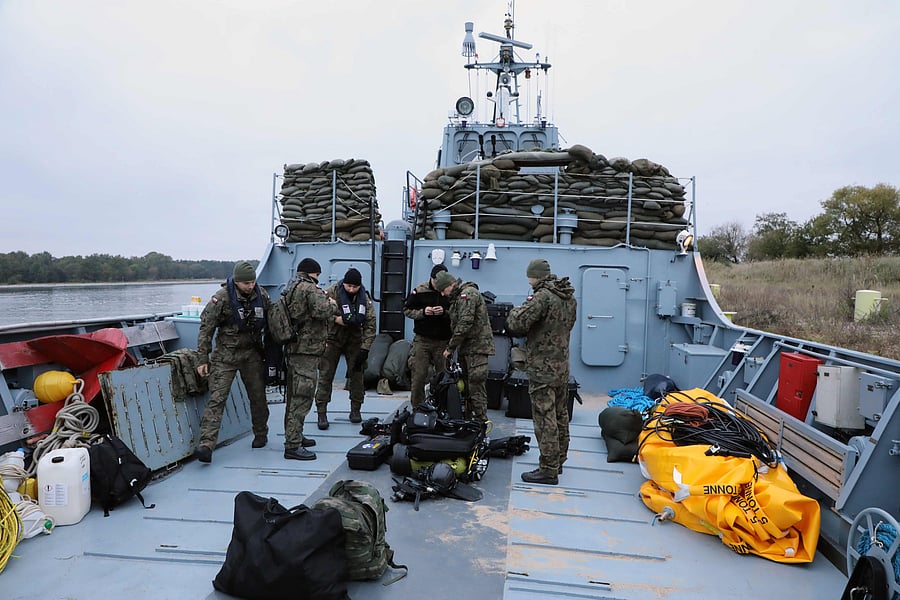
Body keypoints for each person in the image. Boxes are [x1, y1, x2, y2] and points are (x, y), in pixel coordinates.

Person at [506, 258, 577, 485]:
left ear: (534, 276)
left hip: (543, 369)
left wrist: (516, 311)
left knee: (545, 418)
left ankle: (548, 469)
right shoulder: (568, 297)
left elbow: (517, 325)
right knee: (560, 415)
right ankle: (559, 460)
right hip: (561, 367)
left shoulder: (542, 297)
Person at [194, 261, 272, 464]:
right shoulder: (221, 299)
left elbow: (272, 320)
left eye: (253, 281)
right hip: (225, 356)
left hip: (251, 355)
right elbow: (206, 329)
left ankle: (261, 434)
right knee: (217, 399)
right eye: (246, 283)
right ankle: (206, 445)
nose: (250, 286)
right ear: (236, 282)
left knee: (258, 396)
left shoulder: (261, 295)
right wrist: (203, 359)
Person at [281, 258, 335, 460]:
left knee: (293, 396)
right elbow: (322, 312)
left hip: (293, 349)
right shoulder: (309, 288)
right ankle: (293, 446)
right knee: (302, 397)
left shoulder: (291, 287)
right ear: (314, 273)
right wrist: (332, 304)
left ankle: (295, 435)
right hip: (306, 352)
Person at [315, 267, 376, 428]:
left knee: (357, 376)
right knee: (325, 376)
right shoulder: (332, 292)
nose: (351, 289)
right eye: (348, 286)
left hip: (354, 340)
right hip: (332, 339)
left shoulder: (365, 298)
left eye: (354, 287)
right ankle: (321, 412)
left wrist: (365, 348)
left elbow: (371, 324)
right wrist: (335, 319)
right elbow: (319, 312)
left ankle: (355, 409)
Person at [434, 270, 495, 422]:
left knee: (476, 388)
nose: (443, 294)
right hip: (467, 350)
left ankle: (481, 423)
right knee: (467, 389)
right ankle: (469, 423)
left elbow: (464, 323)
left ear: (451, 284)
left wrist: (450, 348)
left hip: (476, 350)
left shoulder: (467, 295)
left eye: (443, 290)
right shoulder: (458, 299)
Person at [403, 264, 452, 408]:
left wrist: (444, 312)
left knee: (444, 376)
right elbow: (407, 310)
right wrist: (423, 313)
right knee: (418, 375)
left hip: (443, 341)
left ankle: (443, 406)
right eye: (436, 282)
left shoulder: (450, 292)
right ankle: (417, 407)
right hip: (422, 340)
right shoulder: (419, 291)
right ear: (431, 278)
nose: (439, 286)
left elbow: (456, 313)